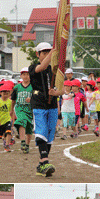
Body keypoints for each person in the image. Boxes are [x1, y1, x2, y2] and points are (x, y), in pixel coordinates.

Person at [28, 42, 63, 176]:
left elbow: (62, 89)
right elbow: (42, 66)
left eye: (49, 52)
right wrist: (54, 52)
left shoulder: (55, 70)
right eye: (44, 53)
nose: (47, 55)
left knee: (49, 134)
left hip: (52, 105)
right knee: (41, 131)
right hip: (39, 104)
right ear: (38, 54)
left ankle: (42, 164)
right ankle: (45, 160)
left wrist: (56, 93)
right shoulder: (33, 67)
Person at [10, 67, 34, 153]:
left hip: (29, 109)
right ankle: (22, 141)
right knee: (21, 121)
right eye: (24, 74)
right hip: (19, 108)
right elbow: (13, 100)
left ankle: (27, 145)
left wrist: (31, 98)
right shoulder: (17, 87)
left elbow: (37, 95)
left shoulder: (33, 86)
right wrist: (12, 109)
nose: (26, 76)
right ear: (21, 76)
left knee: (29, 128)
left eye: (27, 74)